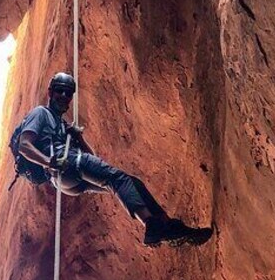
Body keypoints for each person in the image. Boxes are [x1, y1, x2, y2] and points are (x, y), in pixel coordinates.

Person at [17, 72, 213, 247]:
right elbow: (24, 145)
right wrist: (48, 161)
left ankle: (166, 224)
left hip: (68, 180)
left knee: (131, 183)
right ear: (50, 92)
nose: (64, 96)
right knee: (118, 179)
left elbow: (91, 159)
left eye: (69, 93)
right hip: (63, 165)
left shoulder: (62, 125)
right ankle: (152, 224)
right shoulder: (40, 113)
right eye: (60, 91)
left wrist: (79, 138)